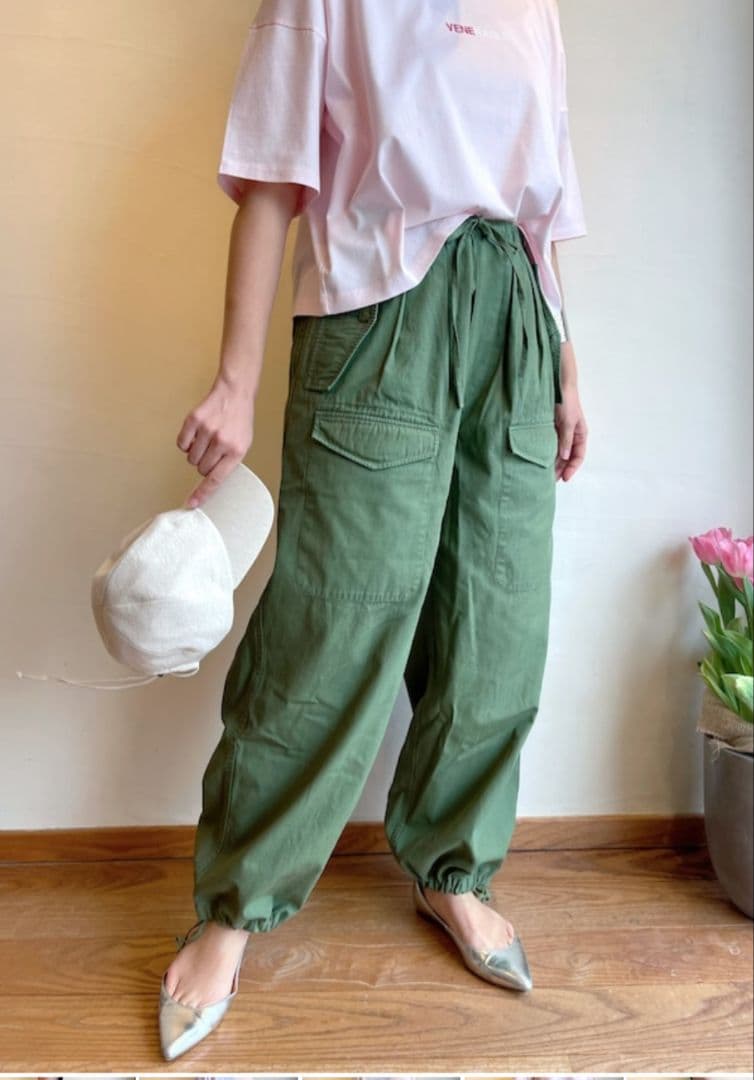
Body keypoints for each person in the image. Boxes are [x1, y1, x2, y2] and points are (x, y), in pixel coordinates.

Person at [160, 0, 589, 1059]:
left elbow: (540, 219)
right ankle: (233, 909)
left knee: (497, 619)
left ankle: (454, 871)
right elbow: (271, 180)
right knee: (333, 619)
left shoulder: (533, 9)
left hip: (517, 324)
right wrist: (235, 382)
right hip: (379, 313)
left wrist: (569, 368)